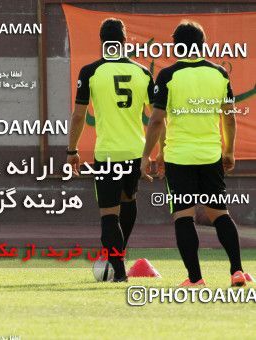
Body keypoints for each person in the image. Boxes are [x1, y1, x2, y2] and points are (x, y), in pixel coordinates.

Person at [141, 20, 248, 287]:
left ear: (177, 47)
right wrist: (230, 151)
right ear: (202, 45)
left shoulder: (168, 75)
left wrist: (148, 155)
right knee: (219, 212)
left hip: (179, 157)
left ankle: (196, 278)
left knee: (183, 215)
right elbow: (229, 117)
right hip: (211, 155)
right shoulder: (220, 74)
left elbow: (156, 120)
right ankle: (237, 271)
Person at [67, 18, 154, 282]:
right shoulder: (143, 73)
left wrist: (72, 150)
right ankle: (118, 258)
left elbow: (79, 116)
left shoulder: (91, 72)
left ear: (102, 42)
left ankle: (118, 271)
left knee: (108, 213)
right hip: (135, 152)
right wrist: (154, 153)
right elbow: (158, 117)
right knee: (128, 203)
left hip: (107, 155)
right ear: (125, 41)